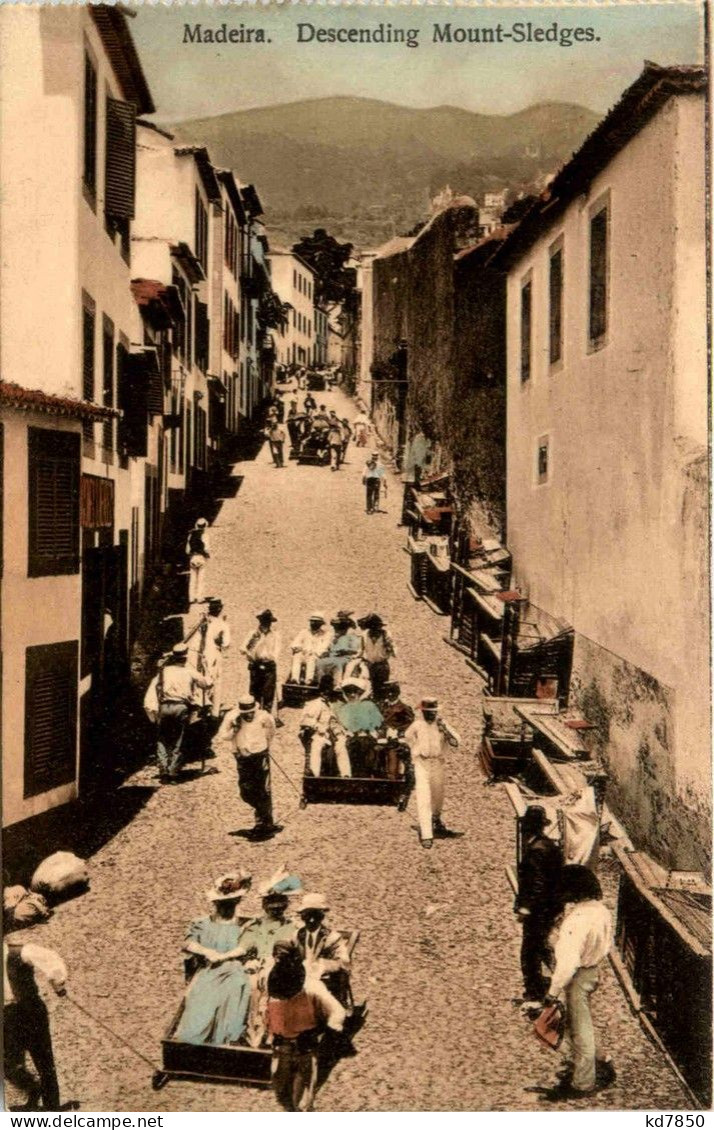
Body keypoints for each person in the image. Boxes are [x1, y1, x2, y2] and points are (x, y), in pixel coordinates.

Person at [540, 866, 614, 1100]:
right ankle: (601, 1058)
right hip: (593, 971)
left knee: (579, 1031)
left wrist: (552, 992)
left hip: (578, 978)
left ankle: (583, 1082)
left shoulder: (576, 921)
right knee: (582, 1021)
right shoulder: (602, 911)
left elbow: (568, 964)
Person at [175, 873, 255, 1045]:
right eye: (221, 903)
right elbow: (188, 942)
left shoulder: (246, 924)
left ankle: (227, 1039)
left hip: (235, 971)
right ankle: (193, 1040)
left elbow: (249, 946)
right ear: (215, 903)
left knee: (237, 988)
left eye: (230, 903)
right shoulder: (202, 923)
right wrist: (206, 951)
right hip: (208, 970)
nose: (225, 907)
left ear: (237, 902)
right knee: (200, 994)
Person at [267, 942, 347, 1112]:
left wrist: (328, 1031)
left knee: (302, 1092)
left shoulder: (312, 988)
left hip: (305, 1043)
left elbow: (338, 1012)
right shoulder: (275, 979)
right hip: (282, 1045)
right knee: (281, 1088)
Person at [3, 936, 69, 1111]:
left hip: (30, 1012)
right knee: (7, 1064)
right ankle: (33, 1088)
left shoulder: (19, 952)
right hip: (5, 1017)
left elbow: (50, 959)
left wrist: (58, 981)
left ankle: (52, 1109)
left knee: (44, 1062)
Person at [240, 873, 302, 1048]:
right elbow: (243, 948)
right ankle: (249, 1034)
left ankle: (271, 1035)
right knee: (250, 986)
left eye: (280, 906)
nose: (276, 909)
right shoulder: (253, 927)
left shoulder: (293, 928)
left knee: (271, 988)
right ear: (264, 905)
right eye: (271, 906)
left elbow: (298, 954)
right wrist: (248, 961)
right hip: (255, 967)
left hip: (281, 970)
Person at [144, 642, 213, 783]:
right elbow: (206, 684)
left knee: (162, 739)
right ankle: (173, 772)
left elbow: (154, 688)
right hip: (181, 708)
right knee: (179, 739)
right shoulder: (189, 672)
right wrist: (207, 670)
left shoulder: (163, 672)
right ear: (186, 658)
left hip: (164, 707)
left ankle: (163, 768)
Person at [515, 806, 563, 1005]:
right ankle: (548, 983)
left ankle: (535, 990)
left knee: (530, 951)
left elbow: (537, 884)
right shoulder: (548, 845)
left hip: (539, 911)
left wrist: (526, 907)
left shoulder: (537, 851)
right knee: (541, 947)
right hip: (549, 908)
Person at [216, 696, 278, 836]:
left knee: (262, 789)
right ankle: (263, 816)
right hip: (242, 757)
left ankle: (264, 822)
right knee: (246, 791)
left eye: (251, 712)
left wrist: (266, 746)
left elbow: (271, 731)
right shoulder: (232, 716)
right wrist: (235, 729)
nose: (249, 715)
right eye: (246, 713)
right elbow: (223, 735)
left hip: (259, 755)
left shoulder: (264, 716)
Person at [405, 697, 461, 848]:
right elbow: (407, 738)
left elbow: (456, 742)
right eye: (427, 712)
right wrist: (415, 753)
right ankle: (426, 834)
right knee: (423, 797)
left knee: (438, 795)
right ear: (422, 712)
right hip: (422, 763)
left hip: (437, 763)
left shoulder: (442, 725)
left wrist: (445, 731)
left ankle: (435, 819)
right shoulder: (417, 725)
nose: (430, 715)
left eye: (433, 712)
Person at [295, 893, 352, 1009]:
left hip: (324, 981)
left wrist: (323, 965)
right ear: (301, 916)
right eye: (307, 915)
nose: (311, 920)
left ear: (322, 916)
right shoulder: (297, 935)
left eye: (315, 915)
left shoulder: (332, 937)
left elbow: (344, 962)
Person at [187, 597, 231, 718]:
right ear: (220, 609)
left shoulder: (202, 621)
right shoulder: (222, 625)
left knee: (199, 677)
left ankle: (200, 702)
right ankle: (214, 711)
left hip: (197, 653)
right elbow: (226, 643)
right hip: (214, 654)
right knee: (216, 680)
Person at [332, 678, 384, 778]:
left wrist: (373, 732)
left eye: (354, 692)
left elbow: (378, 723)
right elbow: (338, 725)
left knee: (367, 746)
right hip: (350, 737)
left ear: (359, 693)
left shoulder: (369, 705)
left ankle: (368, 775)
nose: (352, 695)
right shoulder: (342, 708)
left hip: (367, 735)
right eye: (348, 692)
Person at [299, 676, 342, 777]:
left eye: (329, 693)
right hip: (317, 734)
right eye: (325, 692)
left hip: (332, 735)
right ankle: (315, 775)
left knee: (342, 746)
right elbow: (306, 721)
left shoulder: (332, 705)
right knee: (316, 746)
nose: (327, 695)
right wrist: (319, 728)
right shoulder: (315, 704)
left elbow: (334, 722)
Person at [242, 610, 281, 713]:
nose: (266, 623)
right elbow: (243, 648)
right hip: (256, 664)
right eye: (264, 621)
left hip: (269, 665)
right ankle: (256, 714)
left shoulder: (275, 635)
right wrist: (250, 654)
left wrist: (269, 659)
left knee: (268, 692)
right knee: (255, 692)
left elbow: (276, 651)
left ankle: (267, 715)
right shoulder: (253, 634)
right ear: (260, 621)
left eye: (268, 621)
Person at [316, 612, 362, 688]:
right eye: (336, 627)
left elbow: (355, 650)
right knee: (320, 662)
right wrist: (326, 652)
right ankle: (321, 683)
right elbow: (329, 648)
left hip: (345, 657)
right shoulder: (334, 637)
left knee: (337, 663)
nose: (337, 629)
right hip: (333, 657)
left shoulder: (352, 636)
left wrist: (345, 651)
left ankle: (338, 684)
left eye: (340, 627)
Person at [380, 682, 415, 780]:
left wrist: (397, 730)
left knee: (393, 751)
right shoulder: (382, 706)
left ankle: (393, 776)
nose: (390, 695)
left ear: (397, 693)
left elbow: (409, 723)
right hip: (382, 736)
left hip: (397, 737)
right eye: (388, 692)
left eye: (392, 693)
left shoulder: (404, 708)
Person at [358, 614, 396, 700]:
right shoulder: (364, 635)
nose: (378, 629)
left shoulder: (385, 634)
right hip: (370, 665)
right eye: (375, 627)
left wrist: (389, 646)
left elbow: (393, 651)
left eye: (379, 626)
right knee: (371, 687)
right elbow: (361, 649)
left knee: (382, 687)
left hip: (382, 665)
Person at [290, 613, 333, 686]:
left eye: (316, 622)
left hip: (316, 656)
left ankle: (309, 681)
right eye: (312, 621)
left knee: (311, 659)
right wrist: (299, 648)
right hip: (304, 654)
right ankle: (295, 679)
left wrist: (314, 652)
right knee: (297, 656)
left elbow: (324, 647)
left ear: (320, 624)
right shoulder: (304, 632)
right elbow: (295, 643)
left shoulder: (325, 634)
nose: (313, 623)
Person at [185, 518, 211, 604]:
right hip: (201, 557)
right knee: (201, 578)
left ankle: (191, 598)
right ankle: (200, 597)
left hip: (193, 558)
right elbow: (206, 548)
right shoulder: (205, 535)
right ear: (205, 526)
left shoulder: (191, 534)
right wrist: (207, 554)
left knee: (192, 578)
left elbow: (187, 550)